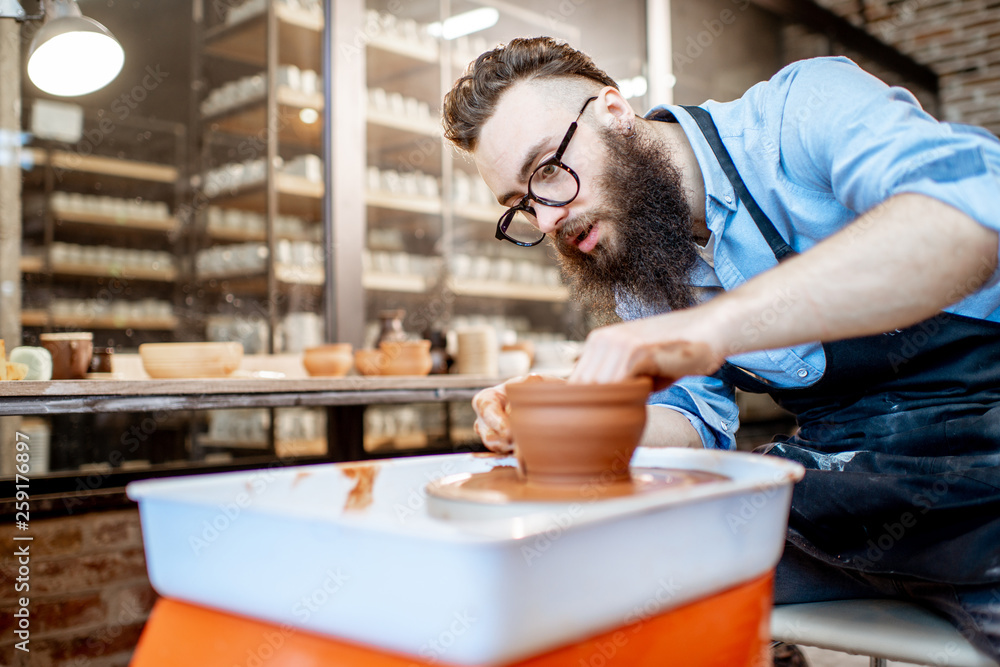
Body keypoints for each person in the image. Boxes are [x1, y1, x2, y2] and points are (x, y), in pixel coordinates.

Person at [442, 36, 1000, 663]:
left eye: (546, 170)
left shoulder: (800, 112)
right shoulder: (640, 258)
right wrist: (573, 417)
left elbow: (971, 213)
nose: (545, 220)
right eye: (520, 205)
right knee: (600, 583)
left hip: (984, 439)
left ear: (615, 113)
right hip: (847, 476)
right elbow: (696, 424)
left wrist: (709, 330)